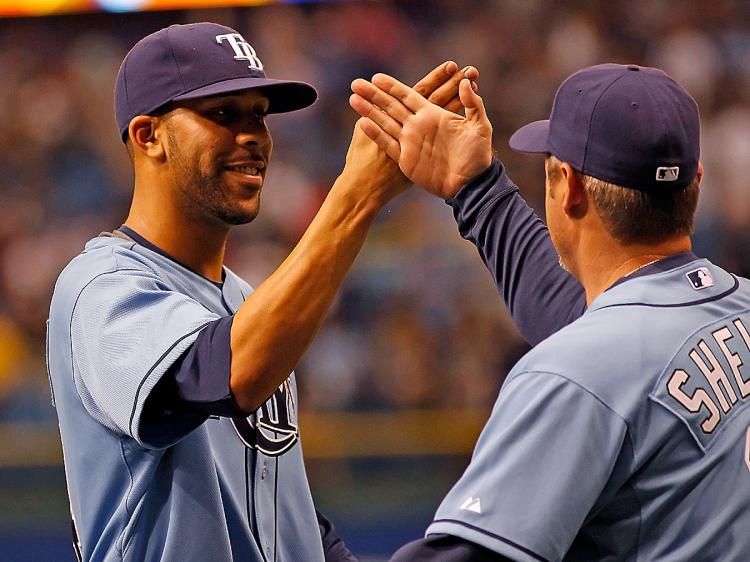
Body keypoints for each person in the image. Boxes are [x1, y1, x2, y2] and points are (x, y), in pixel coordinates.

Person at [46, 22, 475, 561]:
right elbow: (223, 377)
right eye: (223, 115)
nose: (252, 135)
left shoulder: (248, 302)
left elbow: (283, 508)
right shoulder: (101, 286)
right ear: (148, 135)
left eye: (258, 115)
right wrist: (356, 197)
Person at [350, 63, 750, 561]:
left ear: (569, 184)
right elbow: (587, 326)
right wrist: (475, 189)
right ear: (696, 181)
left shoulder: (574, 373)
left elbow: (593, 362)